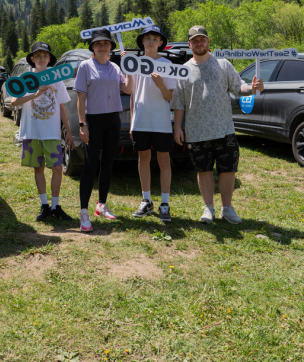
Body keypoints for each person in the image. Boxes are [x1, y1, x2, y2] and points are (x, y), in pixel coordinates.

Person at [173, 26, 264, 224]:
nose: (199, 43)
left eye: (202, 39)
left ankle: (227, 209)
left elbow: (239, 87)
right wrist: (177, 127)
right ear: (189, 45)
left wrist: (252, 88)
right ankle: (209, 208)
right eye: (195, 40)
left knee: (227, 170)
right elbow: (178, 102)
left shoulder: (223, 64)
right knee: (203, 170)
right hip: (197, 131)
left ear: (208, 42)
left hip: (224, 129)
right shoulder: (183, 70)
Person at [74, 28, 133, 232]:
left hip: (113, 120)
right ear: (92, 47)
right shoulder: (85, 66)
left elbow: (128, 89)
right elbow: (81, 98)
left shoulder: (115, 67)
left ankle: (101, 204)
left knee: (107, 163)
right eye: (98, 44)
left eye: (106, 43)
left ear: (110, 47)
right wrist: (82, 124)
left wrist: (129, 68)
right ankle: (84, 212)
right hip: (93, 121)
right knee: (90, 165)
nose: (102, 47)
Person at [11, 41, 75, 222]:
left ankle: (56, 206)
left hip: (51, 132)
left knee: (57, 168)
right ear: (32, 58)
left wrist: (68, 131)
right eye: (37, 55)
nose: (41, 58)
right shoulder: (26, 78)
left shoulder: (56, 78)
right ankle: (44, 205)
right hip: (32, 132)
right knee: (38, 168)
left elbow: (61, 106)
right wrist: (35, 94)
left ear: (49, 59)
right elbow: (14, 102)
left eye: (44, 55)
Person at [129, 25, 176, 222]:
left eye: (155, 38)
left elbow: (169, 97)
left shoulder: (167, 64)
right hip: (140, 120)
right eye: (147, 38)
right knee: (143, 159)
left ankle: (165, 203)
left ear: (161, 42)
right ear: (142, 41)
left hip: (161, 121)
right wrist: (132, 121)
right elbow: (131, 93)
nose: (151, 41)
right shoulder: (135, 64)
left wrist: (160, 85)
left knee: (164, 160)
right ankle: (146, 200)